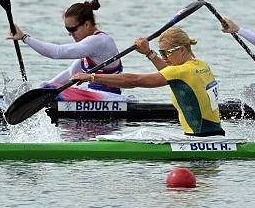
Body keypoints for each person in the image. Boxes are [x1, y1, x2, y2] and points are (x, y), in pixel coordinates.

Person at [71, 28, 224, 136]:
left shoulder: (181, 71)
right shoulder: (201, 65)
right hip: (214, 135)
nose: (164, 57)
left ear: (182, 50)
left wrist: (92, 77)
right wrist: (149, 53)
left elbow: (133, 81)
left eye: (166, 52)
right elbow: (171, 73)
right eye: (161, 52)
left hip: (199, 140)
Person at [7, 0, 126, 100]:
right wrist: (43, 88)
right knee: (45, 87)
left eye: (73, 29)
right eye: (67, 29)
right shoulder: (90, 47)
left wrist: (24, 37)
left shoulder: (100, 41)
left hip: (108, 98)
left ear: (87, 24)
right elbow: (70, 73)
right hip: (96, 96)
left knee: (51, 91)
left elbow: (57, 52)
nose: (70, 34)